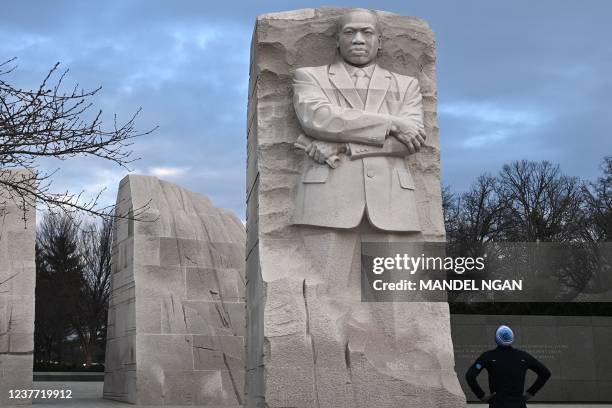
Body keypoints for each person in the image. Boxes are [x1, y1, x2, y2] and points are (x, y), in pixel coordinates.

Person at [292, 8, 427, 232]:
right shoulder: (309, 76)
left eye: (367, 32)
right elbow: (319, 118)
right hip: (326, 202)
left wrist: (343, 145)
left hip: (394, 201)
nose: (358, 40)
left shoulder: (407, 85)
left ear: (380, 41)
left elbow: (410, 141)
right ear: (337, 40)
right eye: (349, 32)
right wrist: (393, 124)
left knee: (397, 268)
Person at [466, 325, 551, 408]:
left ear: (496, 339)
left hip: (497, 403)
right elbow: (545, 373)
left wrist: (481, 396)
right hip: (518, 403)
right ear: (512, 339)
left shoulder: (488, 356)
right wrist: (530, 393)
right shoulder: (524, 356)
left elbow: (470, 376)